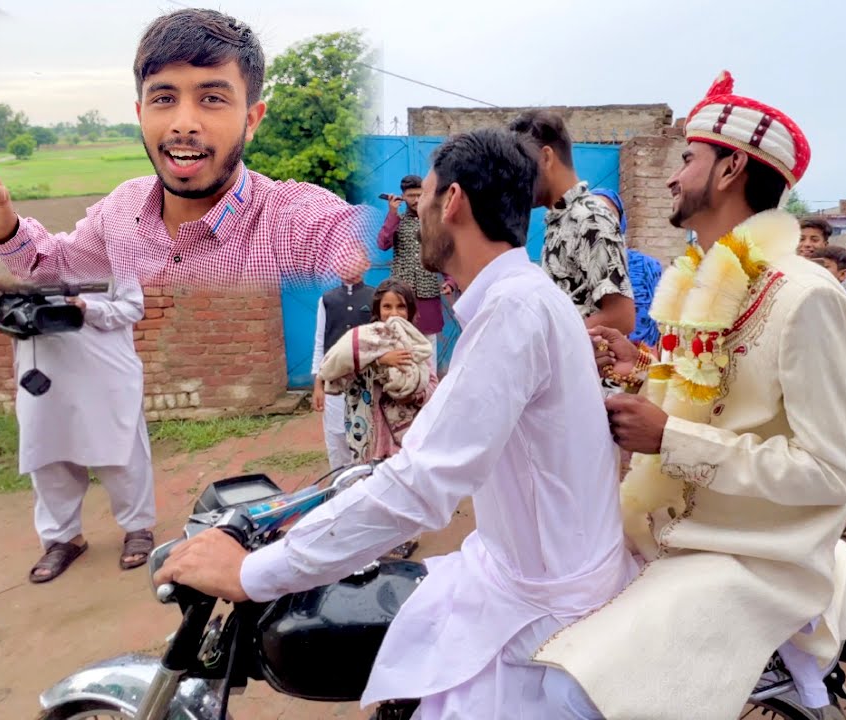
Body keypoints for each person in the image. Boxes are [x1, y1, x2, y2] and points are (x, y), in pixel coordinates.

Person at [153, 128, 636, 719]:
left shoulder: (513, 312)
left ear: (452, 201)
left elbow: (421, 486)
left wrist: (255, 572)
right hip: (525, 568)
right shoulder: (527, 296)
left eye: (427, 197)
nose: (420, 210)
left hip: (539, 609)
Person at [535, 71, 846, 719]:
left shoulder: (807, 298)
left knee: (570, 691)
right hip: (678, 529)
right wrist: (636, 370)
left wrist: (668, 438)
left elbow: (833, 471)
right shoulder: (707, 282)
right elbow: (713, 401)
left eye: (687, 160)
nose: (671, 176)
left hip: (753, 556)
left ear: (730, 171)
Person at [0, 8, 371, 291]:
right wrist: (3, 228)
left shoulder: (290, 221)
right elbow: (55, 267)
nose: (183, 123)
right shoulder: (120, 210)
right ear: (140, 113)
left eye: (212, 98)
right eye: (164, 98)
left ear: (252, 120)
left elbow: (343, 236)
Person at [0, 263, 155, 583]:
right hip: (41, 379)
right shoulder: (2, 256)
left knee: (120, 450)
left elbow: (132, 307)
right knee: (47, 456)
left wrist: (88, 308)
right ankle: (63, 539)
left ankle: (138, 528)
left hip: (105, 373)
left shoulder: (107, 249)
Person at [318, 278, 439, 560]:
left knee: (401, 485)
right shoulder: (364, 340)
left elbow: (431, 385)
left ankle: (404, 537)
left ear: (410, 311)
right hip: (366, 430)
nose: (393, 313)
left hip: (401, 432)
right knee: (368, 482)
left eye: (400, 307)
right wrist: (379, 361)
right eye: (387, 307)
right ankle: (370, 535)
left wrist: (413, 394)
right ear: (377, 308)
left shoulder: (417, 343)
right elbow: (339, 374)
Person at [509, 110, 635, 334]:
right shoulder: (562, 218)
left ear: (546, 158)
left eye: (521, 167)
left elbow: (621, 316)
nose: (517, 180)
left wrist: (550, 343)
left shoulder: (591, 218)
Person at [311, 264, 376, 470]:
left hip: (365, 379)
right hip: (335, 380)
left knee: (365, 431)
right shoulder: (327, 300)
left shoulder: (375, 298)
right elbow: (320, 342)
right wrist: (318, 385)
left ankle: (365, 480)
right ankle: (340, 482)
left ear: (366, 264)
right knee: (336, 433)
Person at [377, 175, 448, 341]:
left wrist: (450, 282)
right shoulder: (397, 221)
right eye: (411, 196)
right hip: (402, 294)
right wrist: (392, 213)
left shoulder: (435, 223)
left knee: (428, 343)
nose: (416, 200)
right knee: (400, 340)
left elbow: (444, 255)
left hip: (428, 294)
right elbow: (383, 243)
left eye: (419, 195)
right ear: (403, 196)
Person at [591, 187, 663, 348]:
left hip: (643, 364)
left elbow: (662, 324)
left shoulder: (647, 267)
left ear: (620, 223)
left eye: (608, 215)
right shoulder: (569, 272)